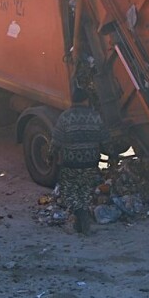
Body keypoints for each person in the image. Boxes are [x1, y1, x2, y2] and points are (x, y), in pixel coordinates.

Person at [52, 89, 110, 235]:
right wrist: (112, 155)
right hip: (90, 162)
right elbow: (105, 140)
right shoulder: (95, 117)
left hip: (70, 164)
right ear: (86, 100)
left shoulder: (65, 117)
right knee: (84, 191)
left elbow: (56, 141)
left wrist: (50, 156)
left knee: (69, 192)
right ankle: (81, 221)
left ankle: (80, 213)